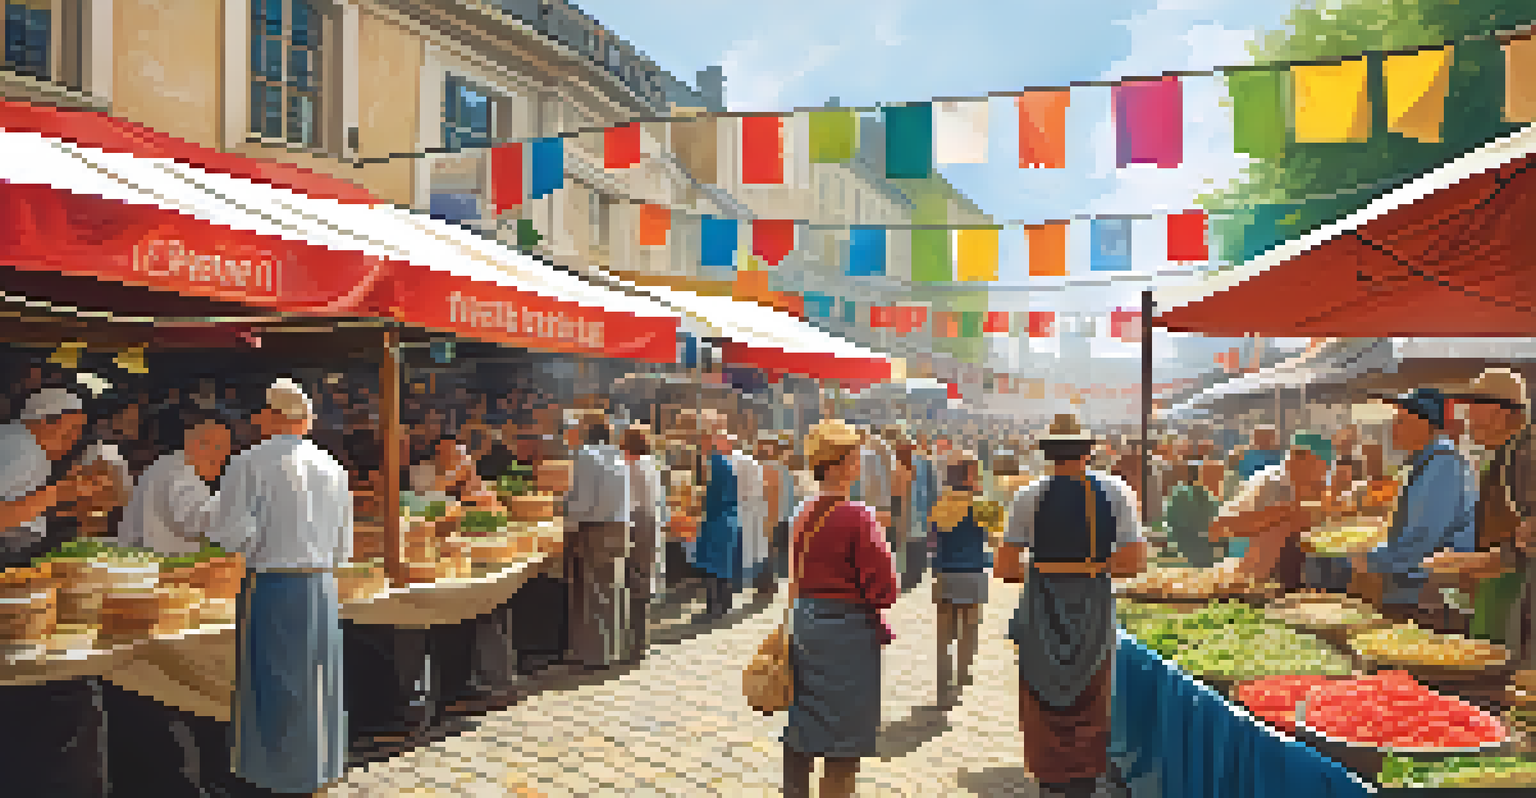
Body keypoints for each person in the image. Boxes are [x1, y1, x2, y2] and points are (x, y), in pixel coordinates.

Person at [185, 377, 351, 795]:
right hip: (323, 584)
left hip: (274, 583)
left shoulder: (249, 462)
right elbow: (343, 544)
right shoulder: (333, 466)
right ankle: (319, 769)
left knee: (271, 681)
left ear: (270, 417)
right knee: (319, 680)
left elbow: (230, 534)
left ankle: (274, 777)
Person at [998, 414, 1148, 798]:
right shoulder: (1118, 492)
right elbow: (1134, 563)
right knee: (1091, 686)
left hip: (1042, 604)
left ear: (1048, 455)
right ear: (1088, 452)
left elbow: (1004, 567)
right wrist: (1094, 566)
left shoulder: (1027, 496)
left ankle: (1050, 773)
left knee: (1040, 686)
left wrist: (1043, 571)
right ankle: (1084, 773)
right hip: (1093, 602)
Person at [0, 387, 115, 798]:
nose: (70, 443)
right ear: (47, 421)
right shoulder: (23, 448)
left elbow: (21, 509)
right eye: (69, 432)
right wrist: (60, 493)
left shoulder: (17, 445)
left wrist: (65, 501)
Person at [782, 420, 899, 798]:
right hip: (846, 631)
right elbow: (885, 589)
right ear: (835, 466)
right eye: (852, 459)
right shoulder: (857, 516)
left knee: (806, 714)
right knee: (845, 735)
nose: (858, 465)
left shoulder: (802, 511)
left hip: (805, 622)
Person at [1425, 369, 1534, 654]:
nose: (1467, 419)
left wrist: (1468, 563)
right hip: (1495, 599)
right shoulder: (1503, 455)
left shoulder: (1524, 457)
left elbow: (1527, 546)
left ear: (1500, 413)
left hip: (1517, 609)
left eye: (1474, 408)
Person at [1352, 389, 1477, 630]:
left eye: (1400, 421)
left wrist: (1364, 560)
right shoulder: (1430, 461)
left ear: (1425, 424)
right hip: (1417, 591)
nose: (1392, 429)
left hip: (1429, 599)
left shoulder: (1442, 465)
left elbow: (1420, 541)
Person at [1208, 433, 1333, 590]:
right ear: (1301, 459)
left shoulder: (1314, 488)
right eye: (1322, 467)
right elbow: (1220, 528)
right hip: (1252, 576)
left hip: (1291, 576)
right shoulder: (1269, 482)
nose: (1323, 475)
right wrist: (1284, 513)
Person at [565, 415, 631, 669]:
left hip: (596, 529)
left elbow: (582, 500)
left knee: (593, 594)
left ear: (587, 433)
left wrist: (565, 516)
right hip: (619, 527)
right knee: (612, 591)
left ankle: (593, 656)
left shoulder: (586, 455)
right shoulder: (618, 457)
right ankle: (614, 650)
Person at [929, 450, 995, 705]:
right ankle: (963, 676)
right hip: (973, 572)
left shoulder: (940, 503)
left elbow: (933, 538)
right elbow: (994, 536)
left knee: (944, 634)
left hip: (945, 572)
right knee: (969, 629)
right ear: (969, 476)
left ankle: (943, 684)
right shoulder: (982, 504)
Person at [621, 424, 667, 662]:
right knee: (643, 579)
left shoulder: (631, 466)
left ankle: (633, 643)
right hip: (650, 522)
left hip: (635, 523)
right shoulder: (651, 464)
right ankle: (640, 640)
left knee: (632, 581)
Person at [695, 426, 741, 621]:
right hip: (729, 517)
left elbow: (705, 493)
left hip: (716, 519)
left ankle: (714, 607)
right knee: (724, 565)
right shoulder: (729, 465)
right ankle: (724, 605)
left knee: (712, 566)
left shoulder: (714, 463)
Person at [1163, 460, 1220, 569]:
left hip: (1188, 546)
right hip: (1196, 546)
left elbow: (1171, 520)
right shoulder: (1203, 495)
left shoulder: (1181, 493)